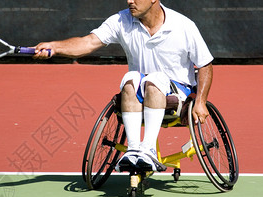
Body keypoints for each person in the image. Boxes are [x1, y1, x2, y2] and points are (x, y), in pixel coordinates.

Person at [33, 0, 214, 172]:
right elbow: (88, 42)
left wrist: (201, 102)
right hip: (141, 90)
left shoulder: (183, 25)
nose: (129, 1)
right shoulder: (121, 20)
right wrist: (55, 46)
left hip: (177, 91)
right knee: (130, 78)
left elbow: (205, 65)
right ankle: (134, 150)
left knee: (155, 80)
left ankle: (148, 150)